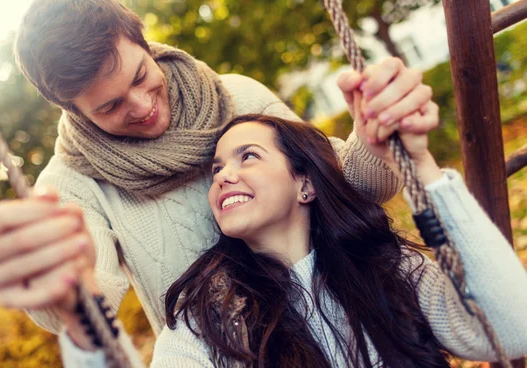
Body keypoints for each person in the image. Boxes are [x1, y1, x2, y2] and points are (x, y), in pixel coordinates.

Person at [0, 0, 438, 350]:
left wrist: (376, 139)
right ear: (73, 110)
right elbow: (90, 304)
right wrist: (63, 289)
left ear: (144, 42)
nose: (142, 107)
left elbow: (349, 189)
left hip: (350, 335)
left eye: (140, 76)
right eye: (110, 106)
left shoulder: (238, 96)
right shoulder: (71, 184)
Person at [60, 112, 527, 367]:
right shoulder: (206, 322)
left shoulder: (389, 267)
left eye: (248, 156)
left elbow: (511, 329)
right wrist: (82, 323)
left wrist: (421, 166)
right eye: (217, 169)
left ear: (306, 183)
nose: (224, 177)